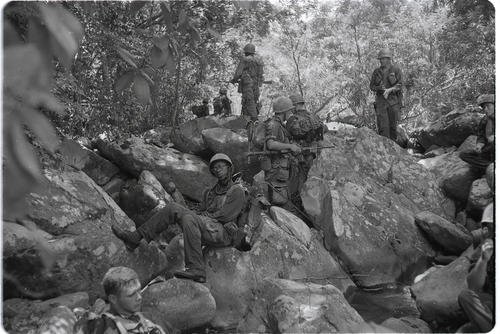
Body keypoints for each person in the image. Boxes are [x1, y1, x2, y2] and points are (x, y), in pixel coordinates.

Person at [111, 153, 250, 283]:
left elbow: (226, 216)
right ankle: (136, 237)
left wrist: (199, 216)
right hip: (207, 227)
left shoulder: (236, 190)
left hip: (224, 233)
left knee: (188, 217)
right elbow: (197, 211)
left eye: (220, 167)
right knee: (175, 210)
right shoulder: (211, 192)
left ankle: (196, 268)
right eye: (214, 168)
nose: (217, 170)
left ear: (229, 168)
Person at [75, 267, 166, 334]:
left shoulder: (146, 317)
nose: (139, 297)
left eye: (139, 290)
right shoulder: (103, 326)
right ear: (113, 299)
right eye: (131, 295)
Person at [457, 203, 494, 333]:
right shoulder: (484, 248)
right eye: (486, 227)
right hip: (490, 301)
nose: (487, 231)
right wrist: (483, 261)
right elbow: (473, 286)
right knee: (466, 296)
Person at [262, 96, 302, 211]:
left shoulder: (280, 125)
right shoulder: (273, 124)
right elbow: (270, 144)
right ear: (284, 111)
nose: (290, 113)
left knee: (282, 198)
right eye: (289, 111)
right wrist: (290, 146)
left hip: (281, 169)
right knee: (277, 200)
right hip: (275, 170)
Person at [286, 93, 325, 209]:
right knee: (310, 179)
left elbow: (288, 134)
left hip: (300, 155)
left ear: (295, 105)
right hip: (315, 153)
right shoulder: (314, 116)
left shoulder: (293, 119)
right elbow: (323, 132)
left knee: (299, 181)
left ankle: (300, 205)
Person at [369, 48, 403, 141]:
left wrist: (389, 90)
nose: (381, 61)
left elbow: (399, 85)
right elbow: (371, 86)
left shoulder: (396, 70)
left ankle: (394, 150)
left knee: (392, 128)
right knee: (383, 128)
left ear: (388, 59)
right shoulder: (377, 71)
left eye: (383, 59)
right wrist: (380, 88)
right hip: (381, 103)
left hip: (393, 103)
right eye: (380, 59)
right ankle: (385, 151)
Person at [459, 94, 495, 176]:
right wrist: (479, 144)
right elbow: (481, 136)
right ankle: (489, 166)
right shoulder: (484, 120)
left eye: (488, 106)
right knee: (464, 154)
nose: (485, 109)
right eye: (483, 108)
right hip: (488, 150)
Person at [230, 43, 264, 121]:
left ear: (245, 51)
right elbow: (261, 75)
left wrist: (234, 80)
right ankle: (248, 122)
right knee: (252, 104)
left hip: (247, 85)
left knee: (249, 103)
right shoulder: (259, 61)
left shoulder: (245, 60)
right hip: (256, 86)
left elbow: (238, 74)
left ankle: (254, 121)